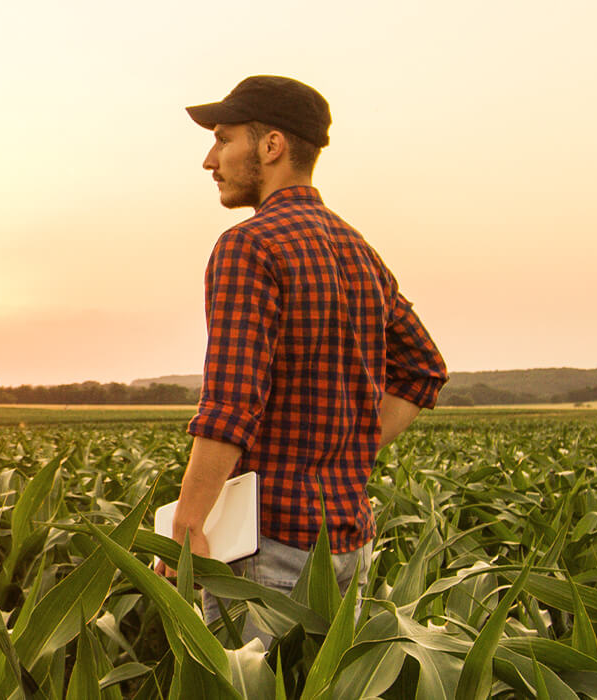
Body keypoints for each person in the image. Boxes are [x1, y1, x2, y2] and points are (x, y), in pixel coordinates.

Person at [154, 75, 448, 644]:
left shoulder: (250, 245)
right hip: (349, 544)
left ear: (271, 146)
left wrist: (187, 524)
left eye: (223, 138)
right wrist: (347, 446)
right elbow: (423, 368)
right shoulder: (357, 249)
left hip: (267, 552)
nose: (210, 159)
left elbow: (230, 404)